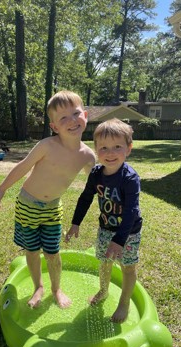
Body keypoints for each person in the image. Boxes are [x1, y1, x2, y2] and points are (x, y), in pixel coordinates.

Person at [0, 90, 95, 309]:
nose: (72, 121)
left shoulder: (88, 156)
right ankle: (38, 286)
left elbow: (95, 185)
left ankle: (56, 289)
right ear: (54, 126)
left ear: (85, 115)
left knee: (53, 252)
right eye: (63, 118)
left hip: (53, 209)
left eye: (76, 113)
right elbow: (23, 166)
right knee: (32, 250)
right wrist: (2, 189)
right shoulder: (47, 145)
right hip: (28, 204)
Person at [65, 118, 142, 323]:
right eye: (104, 148)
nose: (110, 153)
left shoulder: (130, 178)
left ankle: (124, 302)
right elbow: (86, 197)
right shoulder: (97, 174)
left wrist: (119, 240)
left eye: (117, 147)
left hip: (128, 231)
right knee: (104, 261)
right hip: (105, 227)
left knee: (127, 266)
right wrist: (75, 223)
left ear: (129, 148)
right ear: (96, 149)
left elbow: (131, 211)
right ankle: (104, 290)